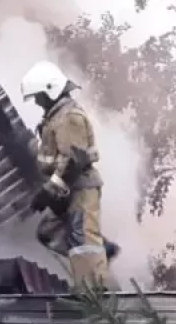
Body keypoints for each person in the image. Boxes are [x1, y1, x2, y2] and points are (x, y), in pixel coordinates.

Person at [20, 60, 120, 287]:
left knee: (83, 242)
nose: (36, 101)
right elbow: (54, 154)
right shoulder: (55, 117)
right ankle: (102, 253)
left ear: (50, 89)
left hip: (80, 188)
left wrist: (48, 191)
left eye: (38, 96)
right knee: (48, 231)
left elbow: (73, 161)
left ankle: (95, 293)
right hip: (68, 191)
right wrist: (30, 146)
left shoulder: (69, 117)